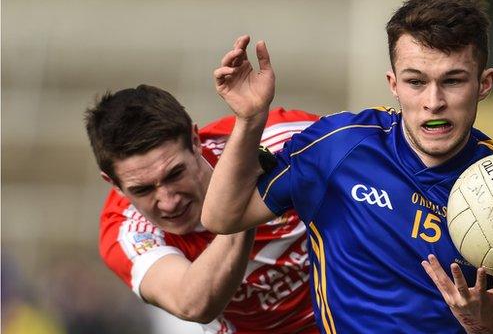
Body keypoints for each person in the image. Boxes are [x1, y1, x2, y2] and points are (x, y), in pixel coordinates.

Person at [201, 0, 493, 333]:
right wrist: (249, 119)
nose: (434, 101)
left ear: (484, 84)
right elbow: (223, 217)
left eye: (453, 80)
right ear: (393, 84)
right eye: (416, 82)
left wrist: (490, 326)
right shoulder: (337, 148)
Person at [84, 84, 320, 333]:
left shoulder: (282, 140)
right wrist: (241, 196)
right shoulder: (126, 230)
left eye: (175, 174)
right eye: (142, 190)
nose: (168, 201)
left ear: (195, 141)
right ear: (114, 184)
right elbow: (192, 304)